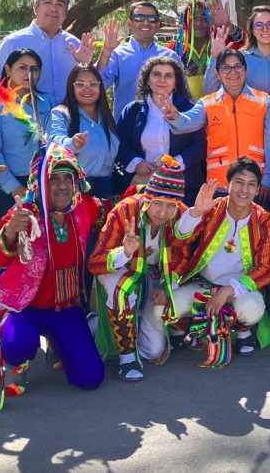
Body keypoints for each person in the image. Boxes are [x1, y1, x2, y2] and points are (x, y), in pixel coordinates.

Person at [0, 145, 105, 411]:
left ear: (76, 182)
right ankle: (16, 364)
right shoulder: (23, 214)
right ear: (39, 183)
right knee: (17, 341)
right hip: (26, 308)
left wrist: (148, 192)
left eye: (66, 179)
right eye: (53, 179)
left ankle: (56, 344)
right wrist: (11, 231)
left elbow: (118, 208)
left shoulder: (86, 208)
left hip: (65, 307)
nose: (61, 186)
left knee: (90, 378)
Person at [88, 157, 201, 380]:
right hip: (120, 271)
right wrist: (125, 253)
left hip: (155, 276)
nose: (162, 212)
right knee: (124, 288)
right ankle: (126, 358)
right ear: (147, 197)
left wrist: (167, 285)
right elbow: (96, 262)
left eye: (170, 205)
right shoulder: (124, 211)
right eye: (157, 203)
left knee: (154, 351)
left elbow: (181, 255)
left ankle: (108, 326)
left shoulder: (179, 214)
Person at [172, 157, 270, 364]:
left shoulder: (265, 220)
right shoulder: (212, 208)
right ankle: (192, 326)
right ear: (227, 184)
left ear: (257, 190)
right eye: (238, 182)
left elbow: (265, 269)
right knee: (163, 308)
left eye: (251, 184)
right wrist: (195, 212)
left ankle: (242, 330)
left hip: (238, 291)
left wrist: (228, 291)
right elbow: (180, 238)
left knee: (252, 308)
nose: (244, 190)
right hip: (203, 285)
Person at [162, 49, 270, 206]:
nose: (232, 72)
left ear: (245, 70)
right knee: (220, 230)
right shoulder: (207, 103)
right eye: (226, 68)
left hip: (254, 184)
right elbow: (189, 121)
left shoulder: (264, 101)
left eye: (238, 67)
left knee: (254, 230)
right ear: (218, 73)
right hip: (219, 185)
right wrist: (176, 116)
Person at [114, 57, 205, 203]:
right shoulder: (133, 110)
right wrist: (136, 163)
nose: (162, 80)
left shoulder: (190, 109)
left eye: (168, 75)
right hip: (145, 186)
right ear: (147, 81)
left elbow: (200, 145)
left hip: (184, 188)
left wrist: (176, 163)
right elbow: (120, 143)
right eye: (156, 74)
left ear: (176, 83)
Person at [0, 0, 95, 103]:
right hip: (27, 119)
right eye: (48, 2)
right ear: (35, 7)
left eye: (60, 4)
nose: (53, 8)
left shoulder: (75, 45)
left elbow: (90, 85)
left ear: (65, 13)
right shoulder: (13, 43)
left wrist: (87, 64)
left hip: (69, 118)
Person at [0, 48, 56, 224]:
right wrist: (14, 188)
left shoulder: (48, 102)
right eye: (22, 68)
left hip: (45, 184)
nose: (29, 74)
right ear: (8, 69)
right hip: (7, 188)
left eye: (34, 69)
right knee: (11, 246)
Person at [96, 1, 183, 120]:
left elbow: (183, 93)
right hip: (125, 129)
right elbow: (99, 85)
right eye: (139, 17)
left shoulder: (170, 56)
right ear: (129, 23)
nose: (146, 22)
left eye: (151, 18)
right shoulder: (117, 54)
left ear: (157, 24)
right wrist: (106, 51)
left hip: (164, 129)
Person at [46, 64, 120, 199]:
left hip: (106, 189)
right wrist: (72, 143)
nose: (87, 89)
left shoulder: (106, 116)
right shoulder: (61, 113)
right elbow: (54, 141)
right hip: (75, 190)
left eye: (93, 84)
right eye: (80, 84)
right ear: (71, 87)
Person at [206, 5, 270, 109]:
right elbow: (210, 92)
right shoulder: (239, 59)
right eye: (259, 25)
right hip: (249, 123)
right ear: (252, 30)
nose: (265, 29)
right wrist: (215, 57)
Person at [172, 0, 244, 100]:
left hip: (220, 108)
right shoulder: (174, 50)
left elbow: (244, 43)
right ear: (185, 21)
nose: (199, 23)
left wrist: (226, 25)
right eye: (193, 18)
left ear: (211, 21)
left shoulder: (221, 43)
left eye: (204, 18)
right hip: (186, 112)